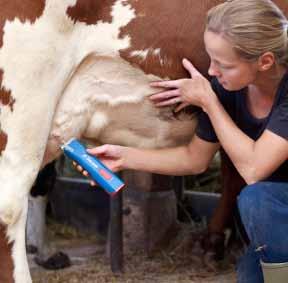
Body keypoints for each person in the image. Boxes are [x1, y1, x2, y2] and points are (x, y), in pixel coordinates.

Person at [76, 0, 288, 282]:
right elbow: (194, 158)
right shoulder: (229, 89)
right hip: (278, 218)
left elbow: (253, 169)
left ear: (265, 62)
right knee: (249, 273)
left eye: (223, 64)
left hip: (272, 205)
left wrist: (209, 102)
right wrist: (124, 156)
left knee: (256, 199)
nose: (211, 72)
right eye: (210, 59)